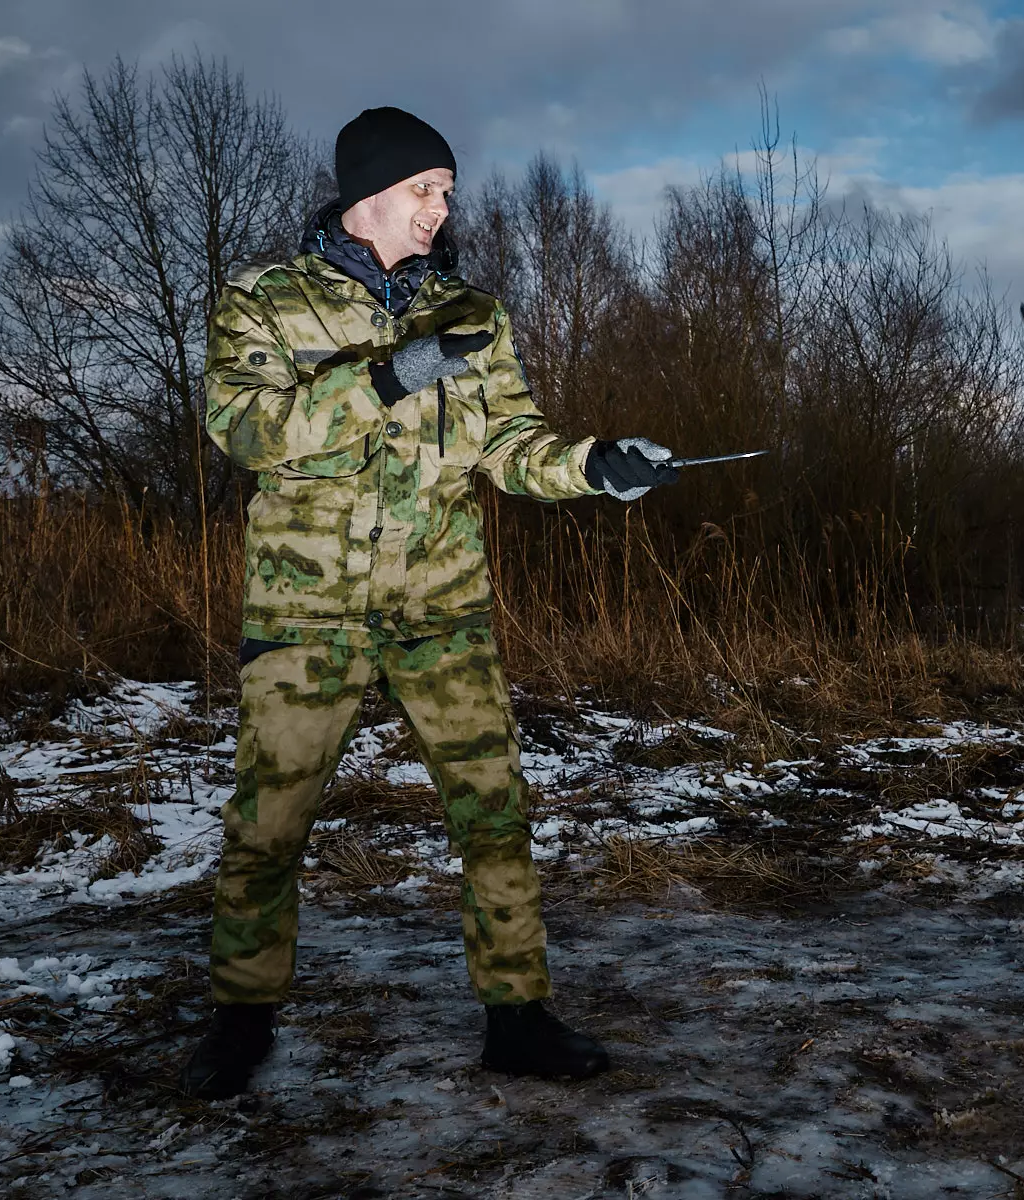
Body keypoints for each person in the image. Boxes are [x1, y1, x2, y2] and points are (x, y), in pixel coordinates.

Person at [181, 106, 676, 1100]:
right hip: (307, 611)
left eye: (447, 190)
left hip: (441, 603)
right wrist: (392, 375)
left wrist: (596, 467)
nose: (442, 207)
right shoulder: (264, 299)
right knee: (269, 823)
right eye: (425, 188)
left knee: (495, 812)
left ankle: (518, 1017)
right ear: (369, 192)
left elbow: (510, 447)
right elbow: (247, 431)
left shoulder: (474, 314)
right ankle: (240, 1020)